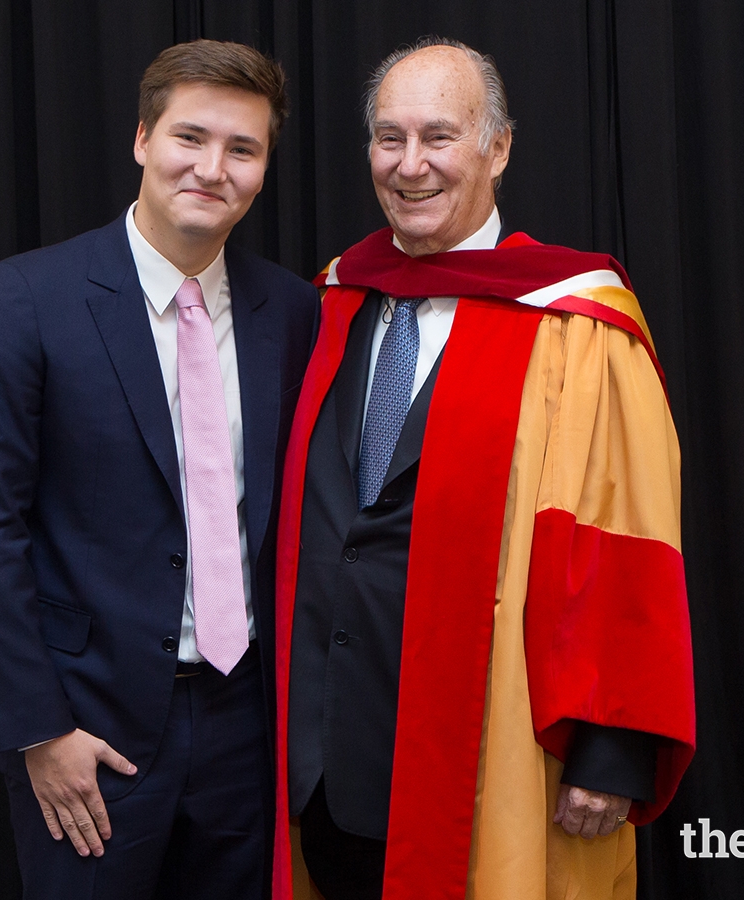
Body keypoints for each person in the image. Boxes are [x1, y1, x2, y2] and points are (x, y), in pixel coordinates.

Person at [273, 37, 695, 900]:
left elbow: (623, 538)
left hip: (484, 749)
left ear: (497, 149)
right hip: (319, 764)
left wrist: (610, 744)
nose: (410, 164)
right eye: (389, 138)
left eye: (440, 136)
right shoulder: (333, 300)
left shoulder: (578, 323)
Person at [0, 39, 319, 900]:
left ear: (263, 170)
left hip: (248, 729)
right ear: (143, 139)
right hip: (87, 730)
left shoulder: (294, 313)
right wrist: (39, 731)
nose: (212, 168)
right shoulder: (25, 297)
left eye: (243, 149)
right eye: (191, 137)